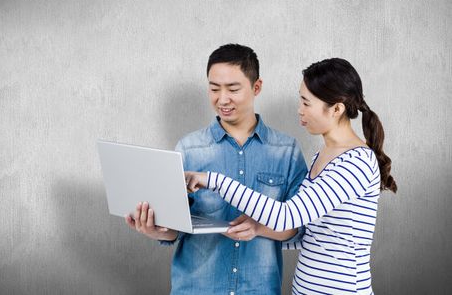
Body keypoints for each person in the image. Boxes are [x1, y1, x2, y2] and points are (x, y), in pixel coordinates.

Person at [186, 58, 398, 294]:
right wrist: (258, 228)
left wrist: (213, 180)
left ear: (336, 109)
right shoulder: (323, 156)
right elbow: (310, 234)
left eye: (307, 103)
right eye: (301, 99)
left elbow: (287, 216)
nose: (300, 110)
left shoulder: (356, 162)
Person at [125, 44, 308, 294]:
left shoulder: (286, 151)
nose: (222, 99)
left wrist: (258, 227)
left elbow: (299, 228)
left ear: (257, 87)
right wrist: (156, 229)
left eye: (233, 89)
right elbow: (175, 230)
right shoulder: (189, 149)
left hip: (259, 288)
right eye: (214, 88)